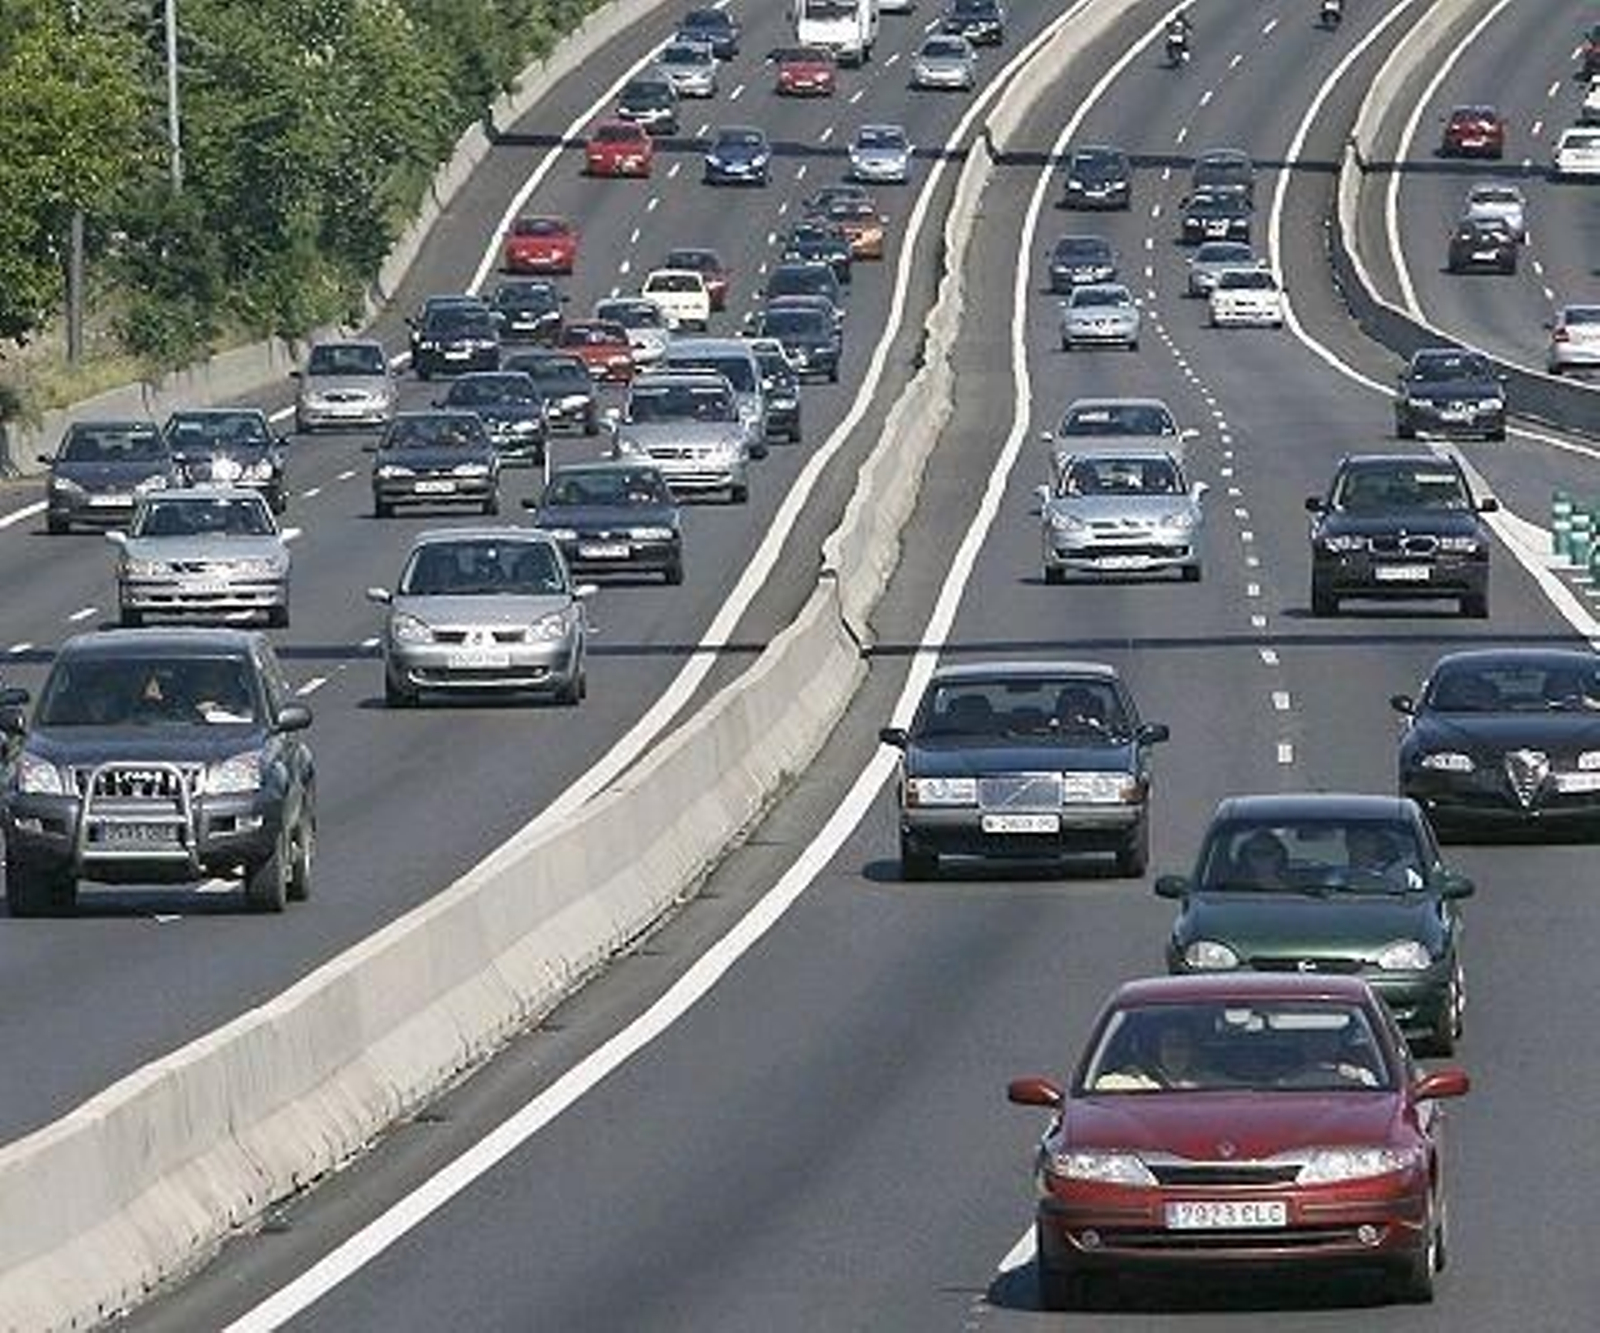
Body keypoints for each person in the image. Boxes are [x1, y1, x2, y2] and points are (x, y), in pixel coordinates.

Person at [1094, 1015, 1209, 1091]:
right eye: (1168, 1045)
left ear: (1193, 1051)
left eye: (1181, 1045)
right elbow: (1102, 1087)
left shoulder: (1209, 1082)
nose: (1174, 1051)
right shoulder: (1134, 1081)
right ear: (1157, 1050)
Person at [1346, 824, 1422, 890]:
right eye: (1360, 839)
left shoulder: (1398, 873)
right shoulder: (1337, 877)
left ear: (1377, 844)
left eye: (1370, 840)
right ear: (1349, 843)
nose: (1365, 846)